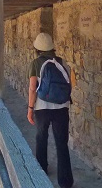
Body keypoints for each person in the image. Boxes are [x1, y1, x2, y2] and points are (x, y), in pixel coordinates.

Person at [27, 32, 74, 188]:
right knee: (61, 143)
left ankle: (41, 170)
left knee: (41, 138)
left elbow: (32, 88)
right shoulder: (62, 62)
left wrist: (30, 109)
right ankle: (65, 182)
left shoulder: (35, 63)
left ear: (38, 49)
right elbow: (70, 84)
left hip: (42, 108)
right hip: (62, 108)